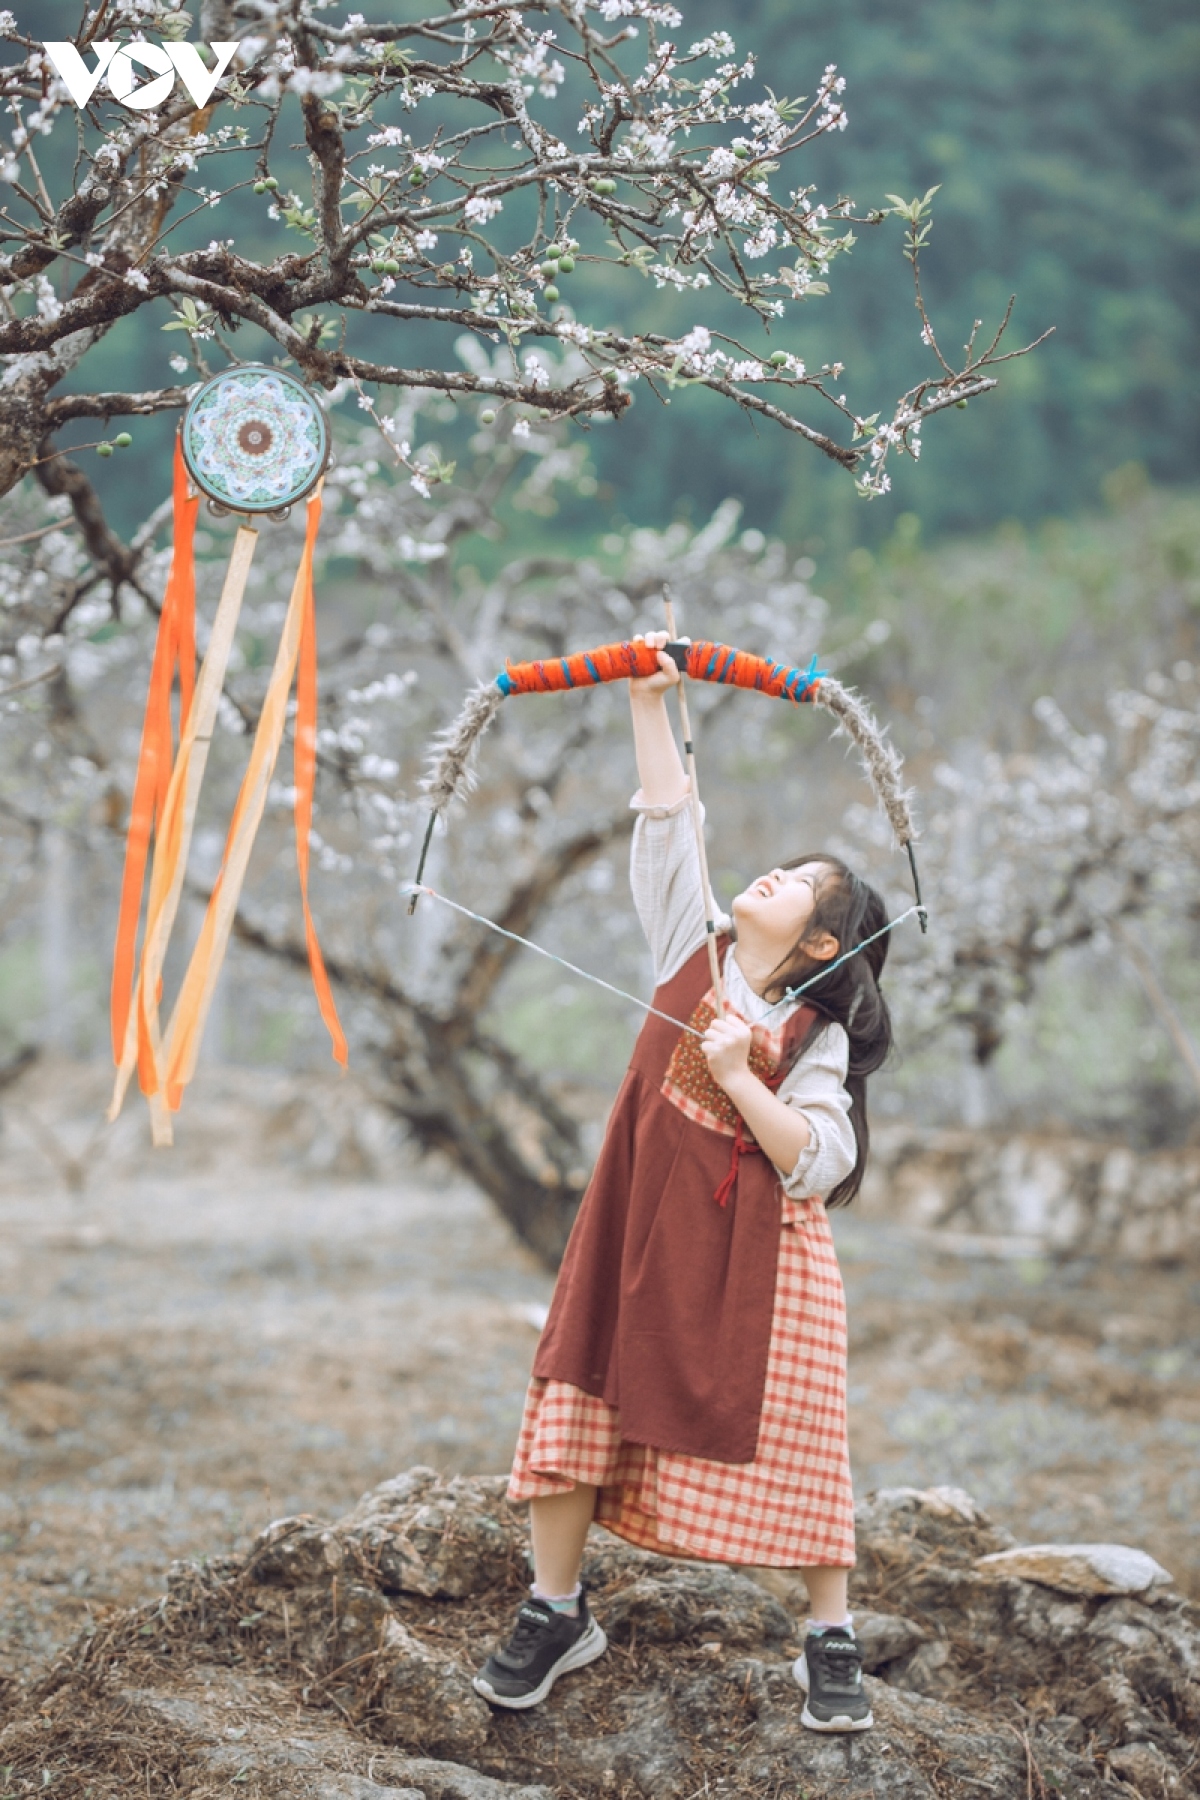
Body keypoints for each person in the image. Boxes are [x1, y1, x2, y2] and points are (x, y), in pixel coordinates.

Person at [474, 631, 893, 1733]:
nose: (784, 876)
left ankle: (828, 1639)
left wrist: (735, 1078)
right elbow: (671, 819)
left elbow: (818, 1161)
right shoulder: (689, 948)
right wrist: (649, 701)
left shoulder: (816, 1032)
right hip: (637, 1219)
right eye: (792, 866)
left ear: (817, 949)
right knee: (580, 1387)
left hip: (764, 1252)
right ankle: (556, 1608)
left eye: (810, 889)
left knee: (800, 1429)